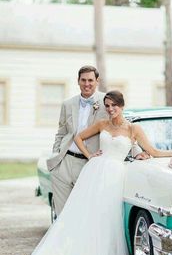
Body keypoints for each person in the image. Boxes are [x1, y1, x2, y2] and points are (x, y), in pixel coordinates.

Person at [16, 90, 172, 255]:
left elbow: (153, 151)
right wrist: (90, 155)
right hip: (95, 171)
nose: (110, 109)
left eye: (114, 105)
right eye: (107, 105)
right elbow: (78, 138)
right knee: (85, 217)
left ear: (122, 106)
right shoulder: (102, 124)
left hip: (116, 175)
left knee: (107, 219)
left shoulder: (134, 129)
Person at [47, 65, 147, 216]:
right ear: (78, 81)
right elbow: (61, 133)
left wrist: (137, 151)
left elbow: (123, 126)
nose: (87, 84)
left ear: (97, 81)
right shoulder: (67, 104)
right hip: (64, 163)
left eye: (90, 80)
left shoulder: (107, 101)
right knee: (62, 215)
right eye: (83, 80)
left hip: (90, 164)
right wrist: (56, 155)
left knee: (85, 212)